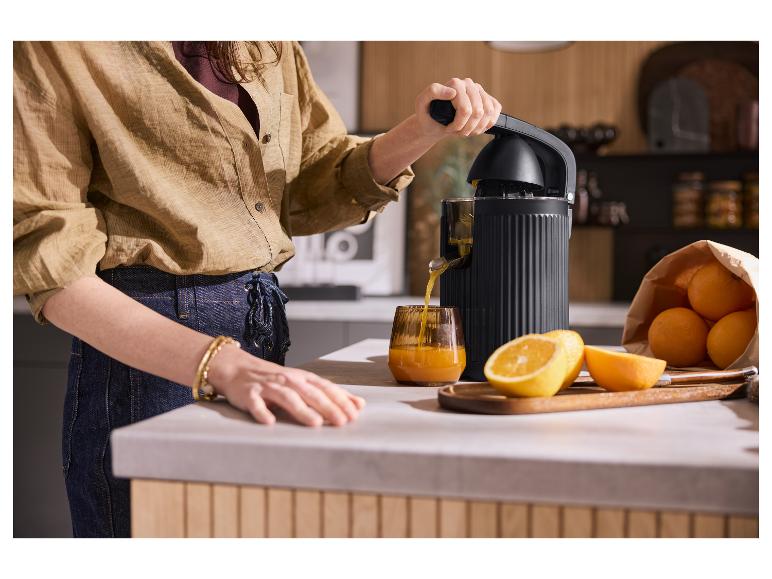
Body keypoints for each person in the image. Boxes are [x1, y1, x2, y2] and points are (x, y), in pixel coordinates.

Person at [13, 41, 502, 537]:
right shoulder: (55, 41)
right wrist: (224, 364)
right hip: (147, 361)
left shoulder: (265, 38)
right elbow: (50, 270)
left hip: (257, 338)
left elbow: (316, 178)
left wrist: (421, 129)